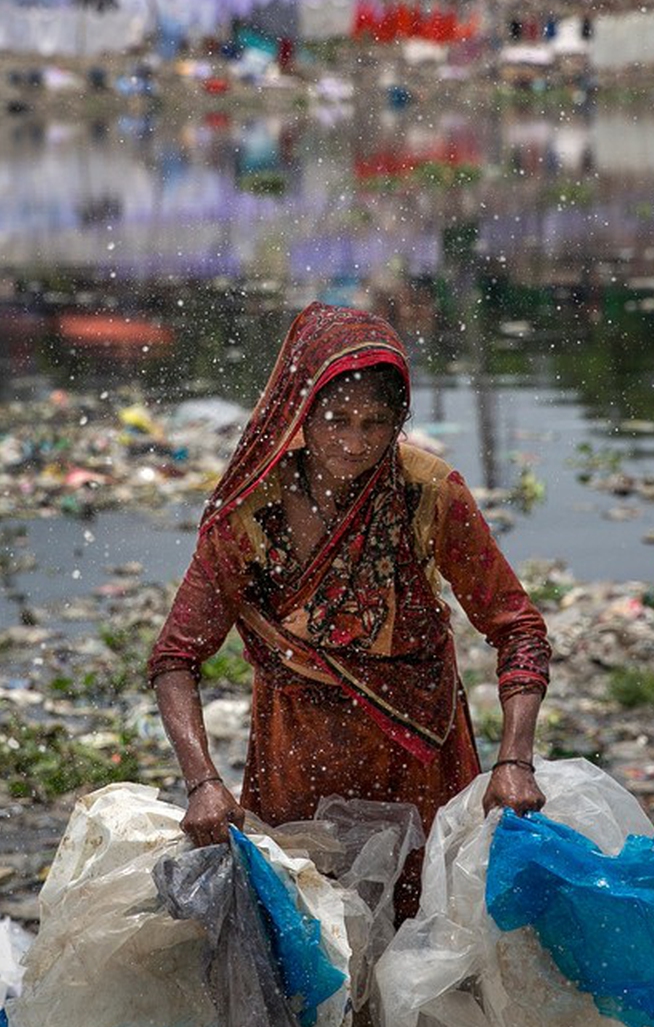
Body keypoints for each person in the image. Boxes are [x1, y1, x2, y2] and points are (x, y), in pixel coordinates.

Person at [148, 301, 552, 916]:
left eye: (376, 422)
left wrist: (515, 761)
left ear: (399, 421)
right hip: (296, 757)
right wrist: (203, 782)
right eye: (336, 420)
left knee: (422, 933)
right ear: (300, 413)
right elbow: (176, 657)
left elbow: (517, 628)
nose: (354, 443)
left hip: (418, 762)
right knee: (309, 938)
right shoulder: (250, 513)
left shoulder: (428, 492)